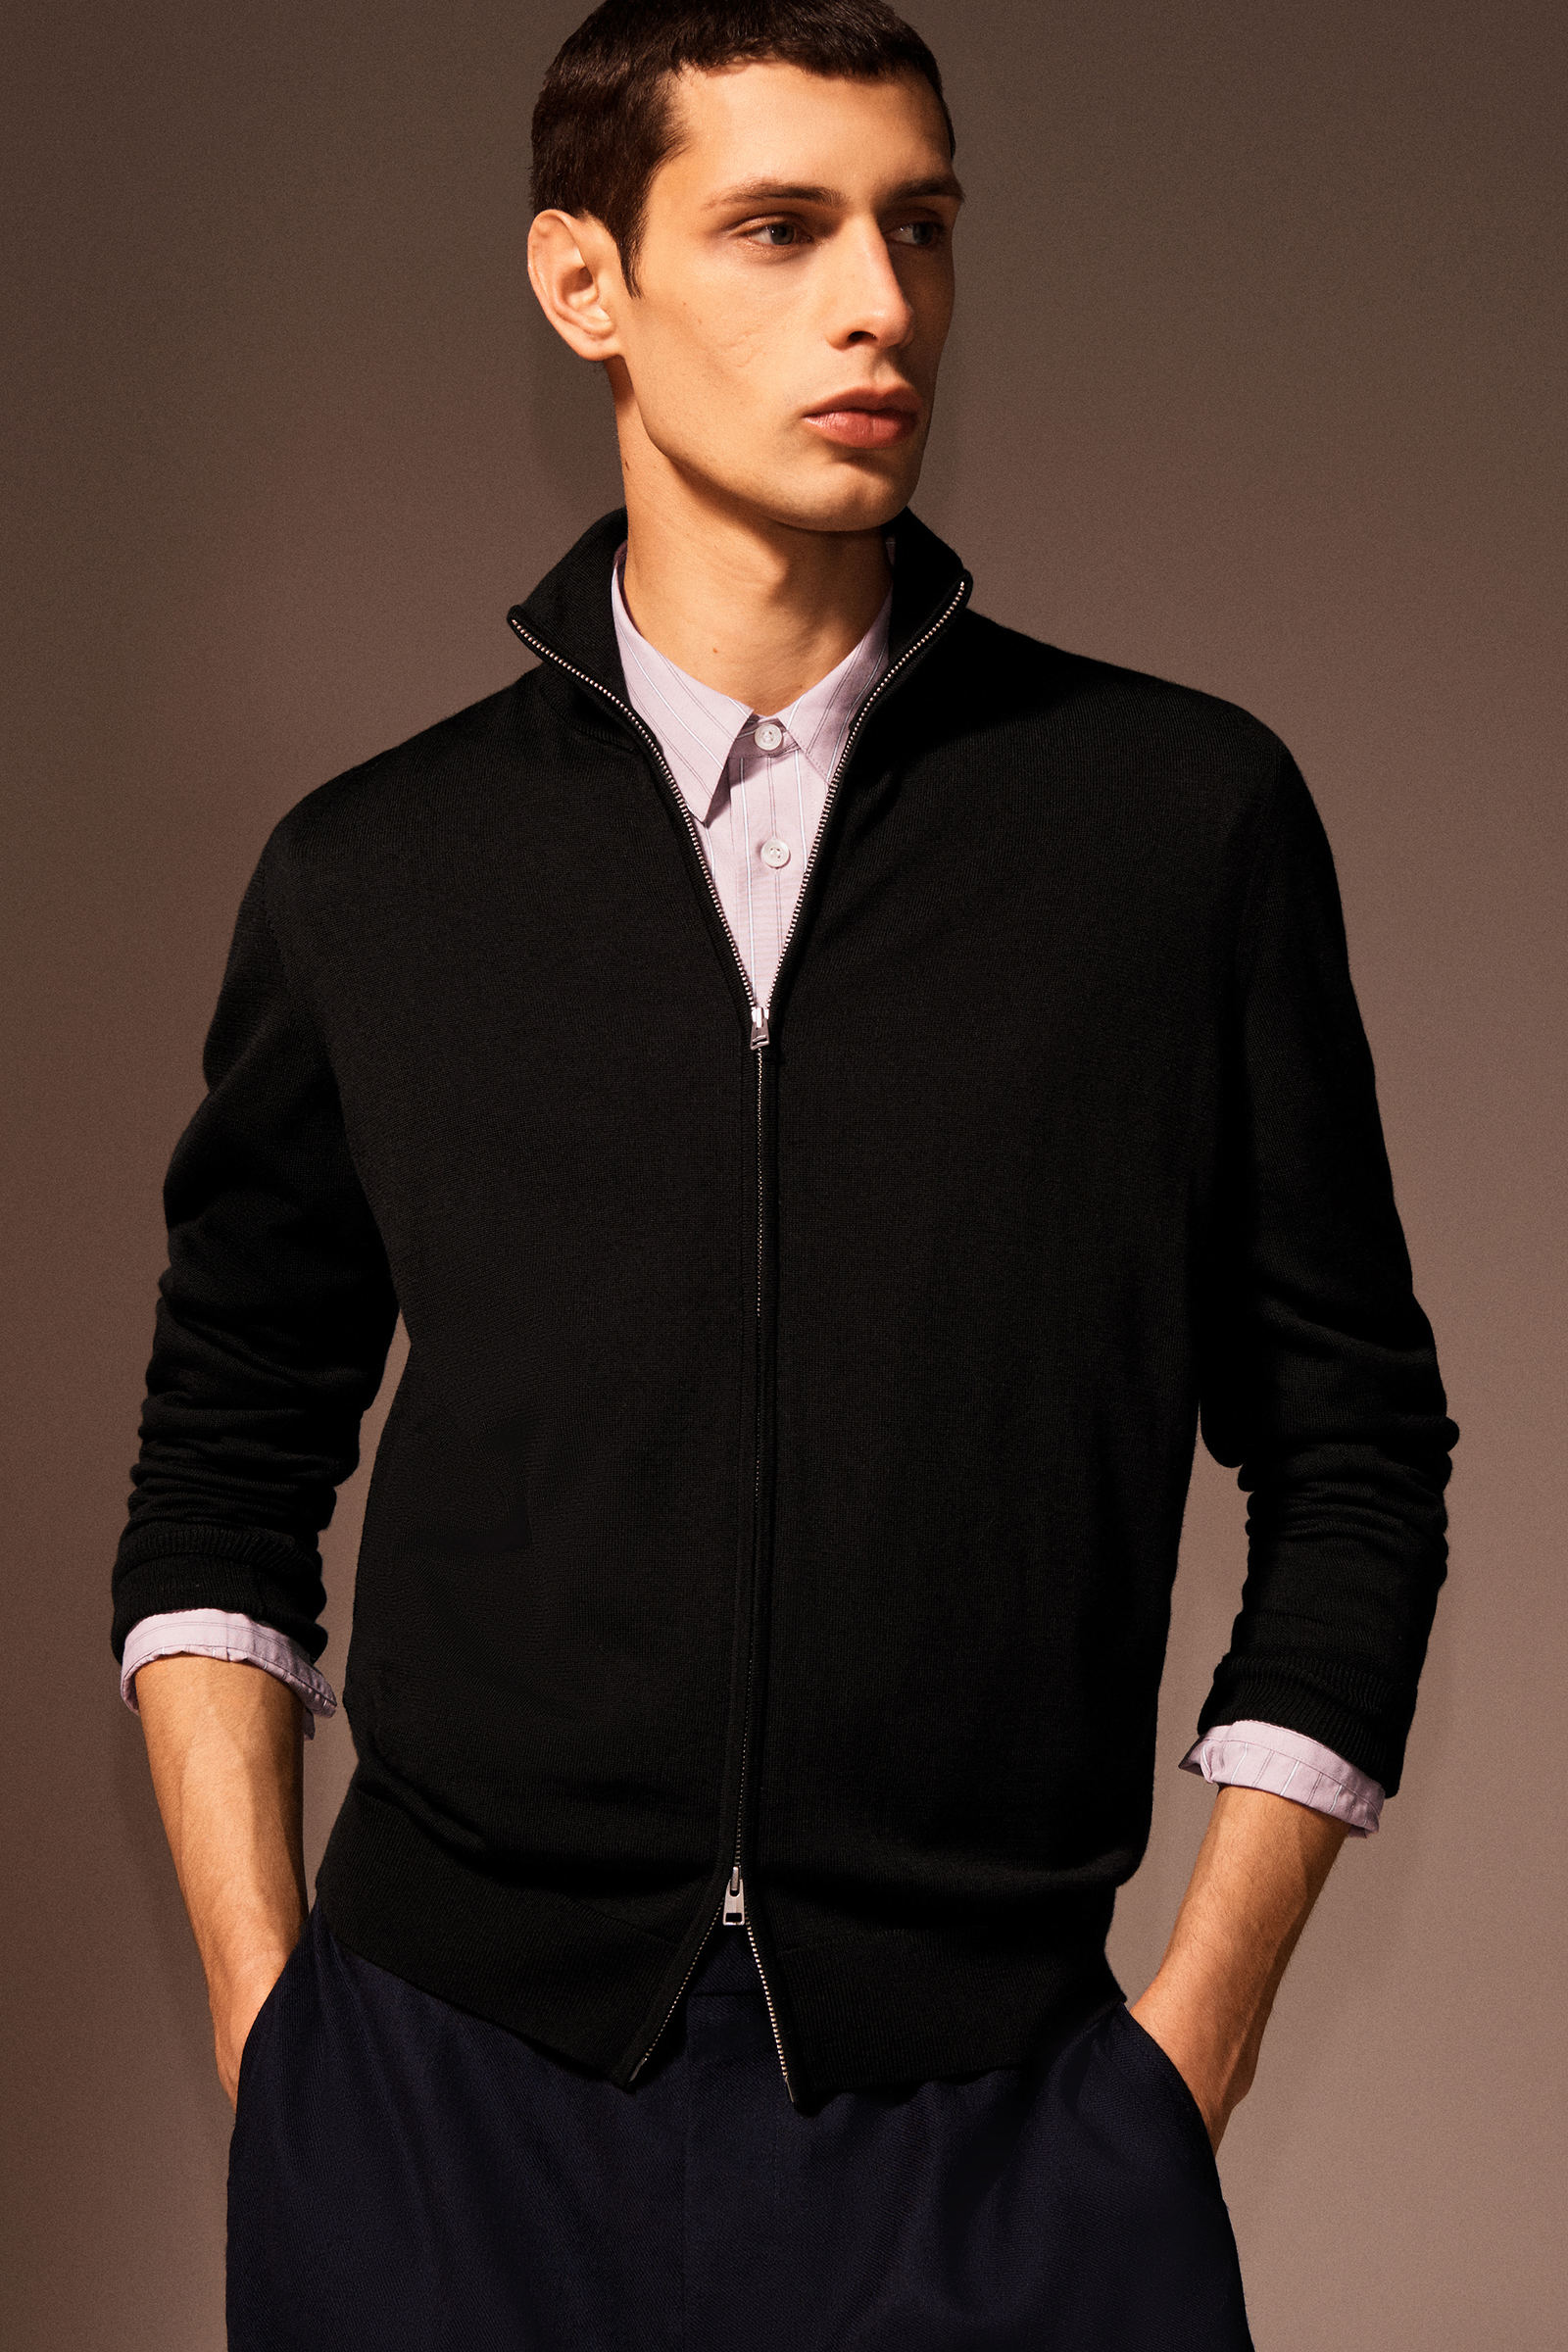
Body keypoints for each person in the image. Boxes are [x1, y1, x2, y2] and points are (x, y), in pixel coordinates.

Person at [113, 5, 1457, 2346]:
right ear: (584, 283)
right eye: (778, 227)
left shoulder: (1169, 827)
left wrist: (1187, 2048)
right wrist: (274, 2033)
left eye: (916, 229)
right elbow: (227, 1460)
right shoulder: (377, 874)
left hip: (997, 2123)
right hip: (440, 2104)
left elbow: (1351, 1448)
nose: (878, 304)